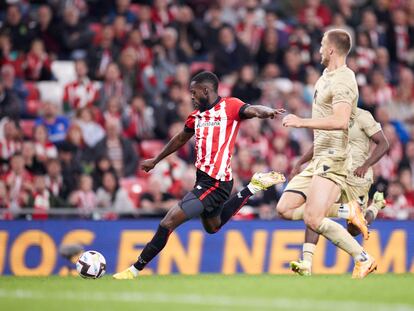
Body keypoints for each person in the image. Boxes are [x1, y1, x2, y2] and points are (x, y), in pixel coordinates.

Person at [113, 71, 285, 279]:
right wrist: (156, 160)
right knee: (213, 227)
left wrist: (266, 112)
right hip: (205, 180)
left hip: (215, 182)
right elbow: (180, 139)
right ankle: (252, 187)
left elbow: (252, 109)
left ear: (206, 90)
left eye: (194, 93)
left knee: (168, 222)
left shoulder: (230, 106)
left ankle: (134, 270)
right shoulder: (196, 116)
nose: (191, 97)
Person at [281, 29, 376, 279]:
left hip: (333, 158)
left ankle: (363, 258)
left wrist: (302, 122)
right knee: (284, 207)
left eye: (322, 45)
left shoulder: (344, 80)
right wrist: (305, 159)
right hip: (318, 157)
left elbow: (341, 121)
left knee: (313, 217)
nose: (320, 49)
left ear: (331, 49)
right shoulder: (325, 76)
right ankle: (347, 212)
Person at [279, 107, 389, 276]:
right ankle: (307, 261)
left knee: (354, 230)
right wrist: (300, 162)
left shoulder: (363, 117)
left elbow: (383, 142)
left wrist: (366, 165)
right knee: (315, 210)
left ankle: (375, 206)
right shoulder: (331, 117)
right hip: (334, 168)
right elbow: (321, 143)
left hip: (357, 177)